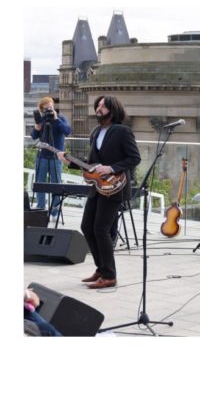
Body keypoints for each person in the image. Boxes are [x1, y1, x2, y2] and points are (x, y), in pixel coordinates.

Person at [59, 95, 141, 289]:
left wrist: (111, 168)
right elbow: (91, 164)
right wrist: (69, 162)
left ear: (112, 110)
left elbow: (134, 158)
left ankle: (110, 275)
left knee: (101, 229)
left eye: (103, 106)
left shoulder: (122, 131)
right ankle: (101, 268)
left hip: (115, 187)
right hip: (99, 187)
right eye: (98, 105)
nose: (98, 108)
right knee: (87, 226)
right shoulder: (96, 132)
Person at [31, 96, 71, 221]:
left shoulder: (60, 118)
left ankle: (55, 212)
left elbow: (68, 131)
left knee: (56, 184)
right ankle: (41, 209)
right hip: (42, 156)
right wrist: (37, 127)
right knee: (40, 184)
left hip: (55, 157)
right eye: (46, 108)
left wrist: (56, 119)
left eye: (51, 107)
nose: (49, 110)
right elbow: (34, 137)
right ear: (42, 110)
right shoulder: (41, 120)